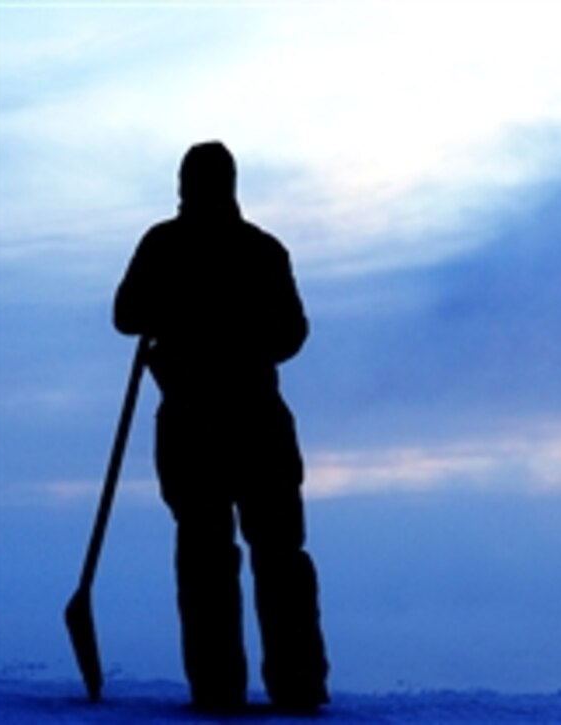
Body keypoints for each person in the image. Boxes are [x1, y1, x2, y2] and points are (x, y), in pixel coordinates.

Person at [114, 141, 329, 712]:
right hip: (251, 420)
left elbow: (126, 315)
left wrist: (188, 324)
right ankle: (296, 686)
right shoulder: (260, 250)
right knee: (273, 552)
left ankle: (219, 689)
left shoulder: (166, 245)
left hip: (198, 421)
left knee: (211, 553)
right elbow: (291, 335)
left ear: (186, 184)